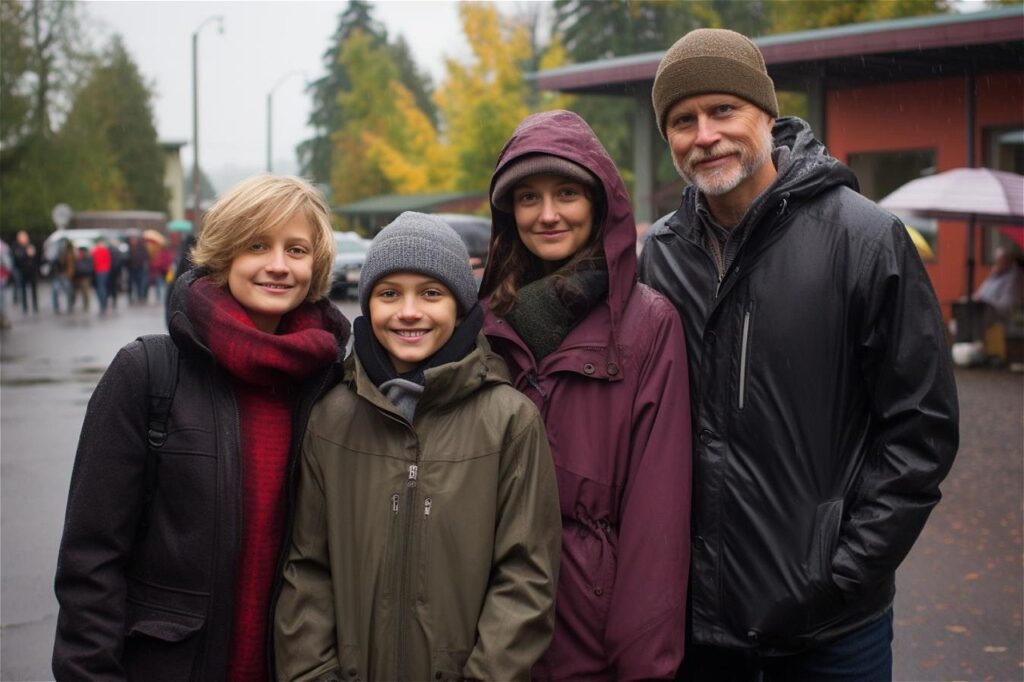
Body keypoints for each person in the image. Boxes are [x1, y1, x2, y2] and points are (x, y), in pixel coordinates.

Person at [637, 28, 960, 680]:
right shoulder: (661, 257)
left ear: (765, 113)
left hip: (833, 630)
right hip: (700, 628)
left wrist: (841, 572)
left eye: (723, 110)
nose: (704, 135)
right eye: (682, 120)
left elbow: (920, 429)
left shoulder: (865, 240)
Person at [53, 175, 350, 681]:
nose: (278, 265)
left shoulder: (330, 383)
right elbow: (91, 561)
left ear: (315, 265)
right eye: (257, 245)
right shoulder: (147, 372)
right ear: (224, 253)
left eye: (296, 249)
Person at [274, 212, 561, 682]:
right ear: (368, 306)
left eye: (431, 293)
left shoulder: (509, 420)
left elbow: (527, 576)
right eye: (389, 294)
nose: (409, 312)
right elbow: (307, 569)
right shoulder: (332, 418)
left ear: (460, 307)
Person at [480, 109, 692, 680]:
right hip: (484, 638)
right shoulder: (483, 324)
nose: (547, 214)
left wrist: (644, 664)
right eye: (528, 197)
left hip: (591, 641)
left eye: (566, 192)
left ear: (598, 202)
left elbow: (657, 519)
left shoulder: (647, 326)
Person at [974, 245, 1023, 322]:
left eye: (1001, 260)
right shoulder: (993, 276)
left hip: (1001, 321)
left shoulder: (1015, 278)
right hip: (982, 314)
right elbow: (979, 294)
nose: (997, 263)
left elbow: (1009, 304)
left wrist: (987, 305)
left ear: (1009, 261)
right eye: (997, 260)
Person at [12, 229, 38, 314]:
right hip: (22, 271)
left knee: (34, 289)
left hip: (32, 271)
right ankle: (25, 307)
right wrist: (26, 254)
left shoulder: (30, 246)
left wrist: (32, 255)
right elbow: (16, 259)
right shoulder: (17, 247)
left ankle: (35, 306)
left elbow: (37, 258)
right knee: (23, 290)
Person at [51, 238, 75, 314]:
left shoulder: (68, 253)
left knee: (68, 291)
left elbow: (70, 265)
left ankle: (69, 306)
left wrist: (69, 274)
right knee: (55, 291)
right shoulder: (53, 254)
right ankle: (56, 307)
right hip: (57, 275)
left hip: (65, 274)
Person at [71, 246, 93, 312]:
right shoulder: (77, 258)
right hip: (77, 277)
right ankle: (72, 303)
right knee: (74, 292)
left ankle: (86, 305)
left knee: (85, 292)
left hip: (85, 277)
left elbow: (89, 267)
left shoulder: (88, 258)